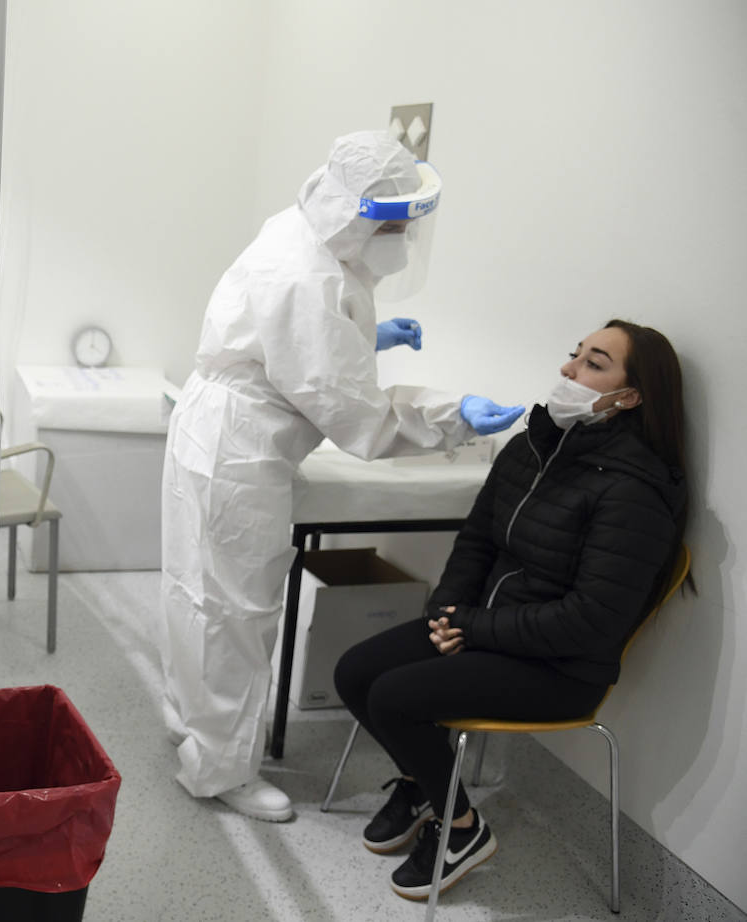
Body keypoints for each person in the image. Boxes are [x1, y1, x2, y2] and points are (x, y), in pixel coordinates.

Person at [158, 130, 526, 822]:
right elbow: (363, 422)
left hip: (212, 426)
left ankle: (195, 726)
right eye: (396, 225)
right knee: (236, 612)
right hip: (241, 448)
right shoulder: (310, 279)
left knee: (195, 592)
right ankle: (221, 771)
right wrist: (455, 420)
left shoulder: (299, 231)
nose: (403, 240)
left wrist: (359, 330)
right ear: (358, 214)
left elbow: (290, 337)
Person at [334, 320, 687, 900]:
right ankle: (427, 785)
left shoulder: (634, 492)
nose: (570, 371)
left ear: (631, 397)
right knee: (355, 672)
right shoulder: (535, 445)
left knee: (394, 697)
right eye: (574, 355)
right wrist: (449, 612)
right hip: (484, 629)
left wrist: (470, 627)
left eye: (595, 363)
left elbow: (590, 619)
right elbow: (478, 539)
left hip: (561, 668)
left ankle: (463, 830)